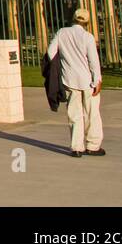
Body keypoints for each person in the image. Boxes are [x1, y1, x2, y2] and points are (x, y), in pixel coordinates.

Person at [46, 8, 104, 157]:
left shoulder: (62, 33)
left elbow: (51, 53)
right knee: (92, 113)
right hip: (87, 81)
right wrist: (97, 79)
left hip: (69, 79)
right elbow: (93, 61)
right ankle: (93, 145)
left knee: (74, 114)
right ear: (87, 22)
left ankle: (77, 147)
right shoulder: (87, 37)